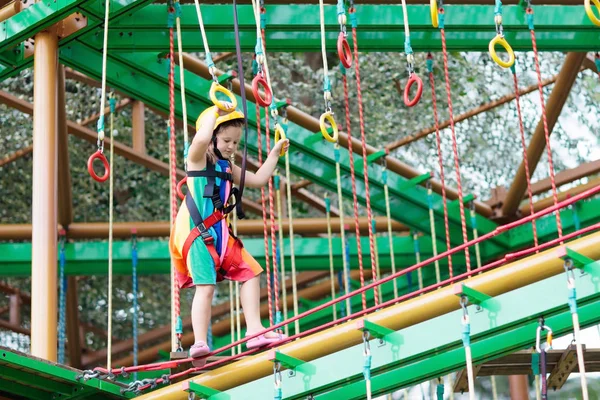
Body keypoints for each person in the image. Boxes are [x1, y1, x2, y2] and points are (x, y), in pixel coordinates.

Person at [169, 103, 289, 367]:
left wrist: (275, 154)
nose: (232, 146)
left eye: (235, 142)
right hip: (199, 236)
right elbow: (201, 138)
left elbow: (257, 180)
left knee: (252, 272)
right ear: (212, 136)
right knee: (206, 287)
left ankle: (255, 330)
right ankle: (199, 341)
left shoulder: (226, 168)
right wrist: (216, 111)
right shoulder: (197, 158)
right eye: (226, 140)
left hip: (220, 234)